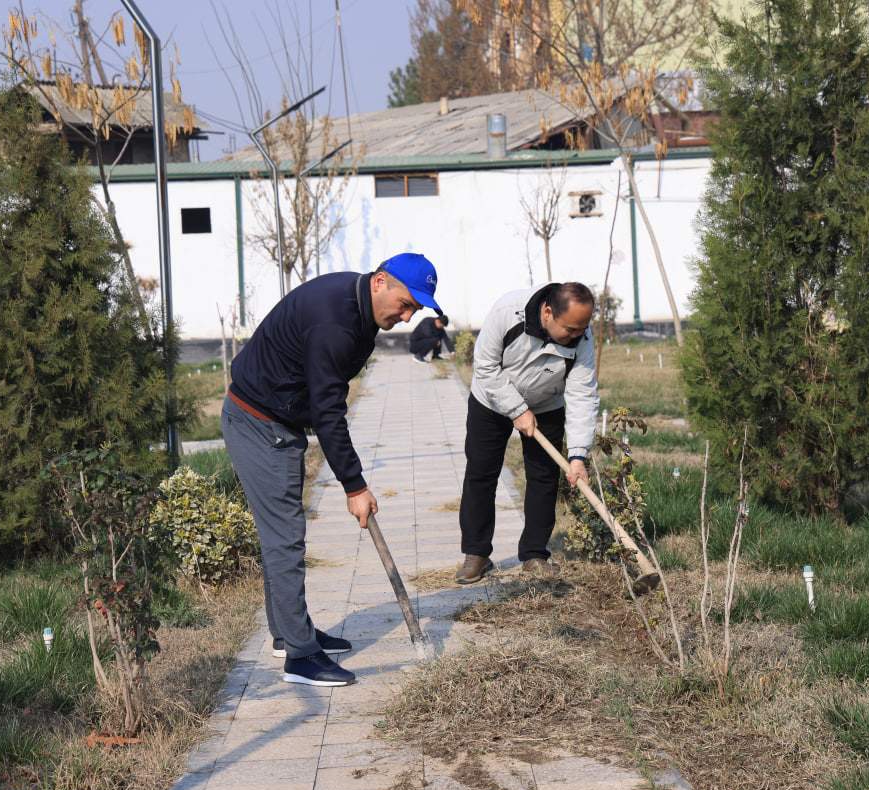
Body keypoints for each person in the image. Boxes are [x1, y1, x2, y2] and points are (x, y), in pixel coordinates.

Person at [223, 253, 441, 686]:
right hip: (257, 422)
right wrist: (354, 485)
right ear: (381, 282)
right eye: (405, 303)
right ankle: (301, 658)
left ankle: (289, 634)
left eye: (416, 309)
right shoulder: (336, 322)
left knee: (280, 535)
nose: (407, 315)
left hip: (274, 418)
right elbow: (328, 412)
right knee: (285, 538)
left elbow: (329, 395)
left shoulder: (358, 308)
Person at [457, 282, 599, 584]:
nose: (578, 336)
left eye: (582, 329)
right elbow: (484, 367)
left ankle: (535, 554)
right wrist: (516, 409)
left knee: (544, 476)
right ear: (547, 312)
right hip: (491, 399)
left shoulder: (582, 337)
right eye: (571, 329)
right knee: (481, 473)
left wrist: (577, 455)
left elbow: (582, 394)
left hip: (547, 401)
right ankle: (476, 553)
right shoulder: (508, 313)